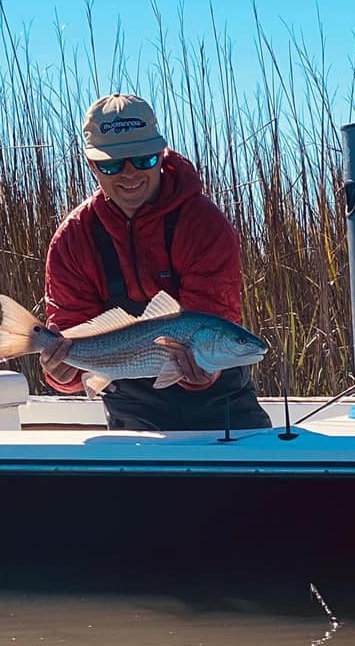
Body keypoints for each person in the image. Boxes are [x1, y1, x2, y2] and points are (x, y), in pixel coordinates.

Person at [40, 92, 271, 431]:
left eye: (144, 160)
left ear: (162, 154)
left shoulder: (204, 225)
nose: (129, 174)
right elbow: (72, 337)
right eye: (111, 164)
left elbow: (213, 319)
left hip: (223, 404)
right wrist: (62, 372)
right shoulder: (74, 239)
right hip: (132, 409)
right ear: (91, 165)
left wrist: (201, 375)